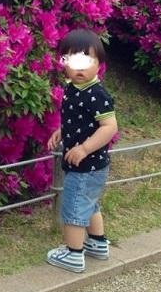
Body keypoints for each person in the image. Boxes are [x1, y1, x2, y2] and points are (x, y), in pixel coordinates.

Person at [46, 28, 118, 273]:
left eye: (86, 61)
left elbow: (109, 127)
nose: (79, 68)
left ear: (99, 64)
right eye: (71, 60)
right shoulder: (72, 89)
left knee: (73, 207)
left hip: (88, 165)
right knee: (89, 203)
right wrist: (61, 131)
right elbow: (73, 118)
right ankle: (97, 244)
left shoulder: (97, 95)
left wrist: (84, 149)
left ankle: (73, 254)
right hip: (85, 164)